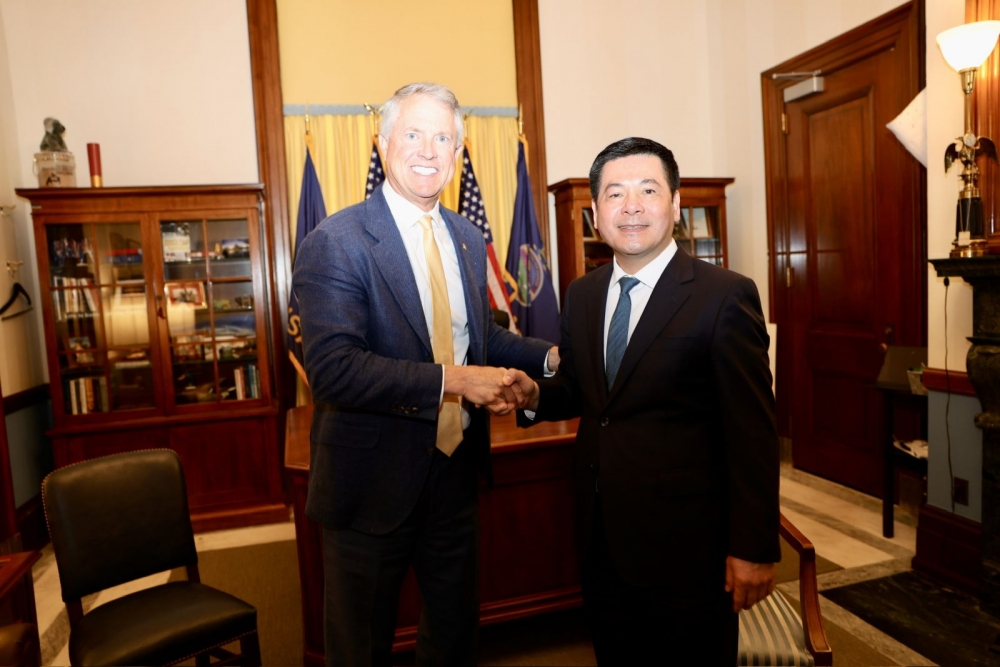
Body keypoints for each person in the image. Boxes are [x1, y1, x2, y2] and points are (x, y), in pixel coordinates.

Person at [292, 82, 556, 667]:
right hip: (369, 485)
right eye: (413, 134)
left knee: (454, 638)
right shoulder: (335, 241)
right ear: (383, 142)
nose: (428, 151)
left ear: (458, 153)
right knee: (360, 648)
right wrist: (457, 381)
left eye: (443, 138)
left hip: (455, 473)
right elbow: (335, 371)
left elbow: (481, 338)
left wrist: (552, 358)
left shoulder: (466, 237)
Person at [517, 137, 780, 664]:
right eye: (615, 194)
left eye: (648, 190)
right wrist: (532, 395)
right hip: (600, 540)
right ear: (596, 214)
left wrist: (753, 547)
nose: (631, 206)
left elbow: (752, 432)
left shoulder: (724, 295)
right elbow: (586, 391)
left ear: (676, 205)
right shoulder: (583, 294)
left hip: (688, 552)